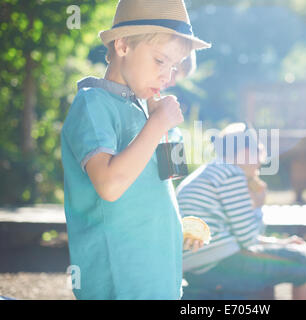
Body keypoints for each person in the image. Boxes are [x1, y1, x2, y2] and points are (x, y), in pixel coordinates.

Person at [60, 0, 210, 299]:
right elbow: (110, 185)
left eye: (174, 67)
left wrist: (162, 125)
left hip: (160, 275)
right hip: (121, 280)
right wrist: (156, 124)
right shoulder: (93, 103)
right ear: (123, 45)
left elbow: (172, 172)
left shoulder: (144, 109)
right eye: (159, 61)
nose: (167, 77)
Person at [176, 123, 306, 299]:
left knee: (287, 259)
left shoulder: (214, 170)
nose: (261, 161)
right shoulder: (232, 174)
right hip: (219, 264)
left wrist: (281, 243)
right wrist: (257, 206)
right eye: (260, 152)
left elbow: (240, 235)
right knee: (303, 261)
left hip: (198, 265)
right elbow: (247, 238)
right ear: (246, 152)